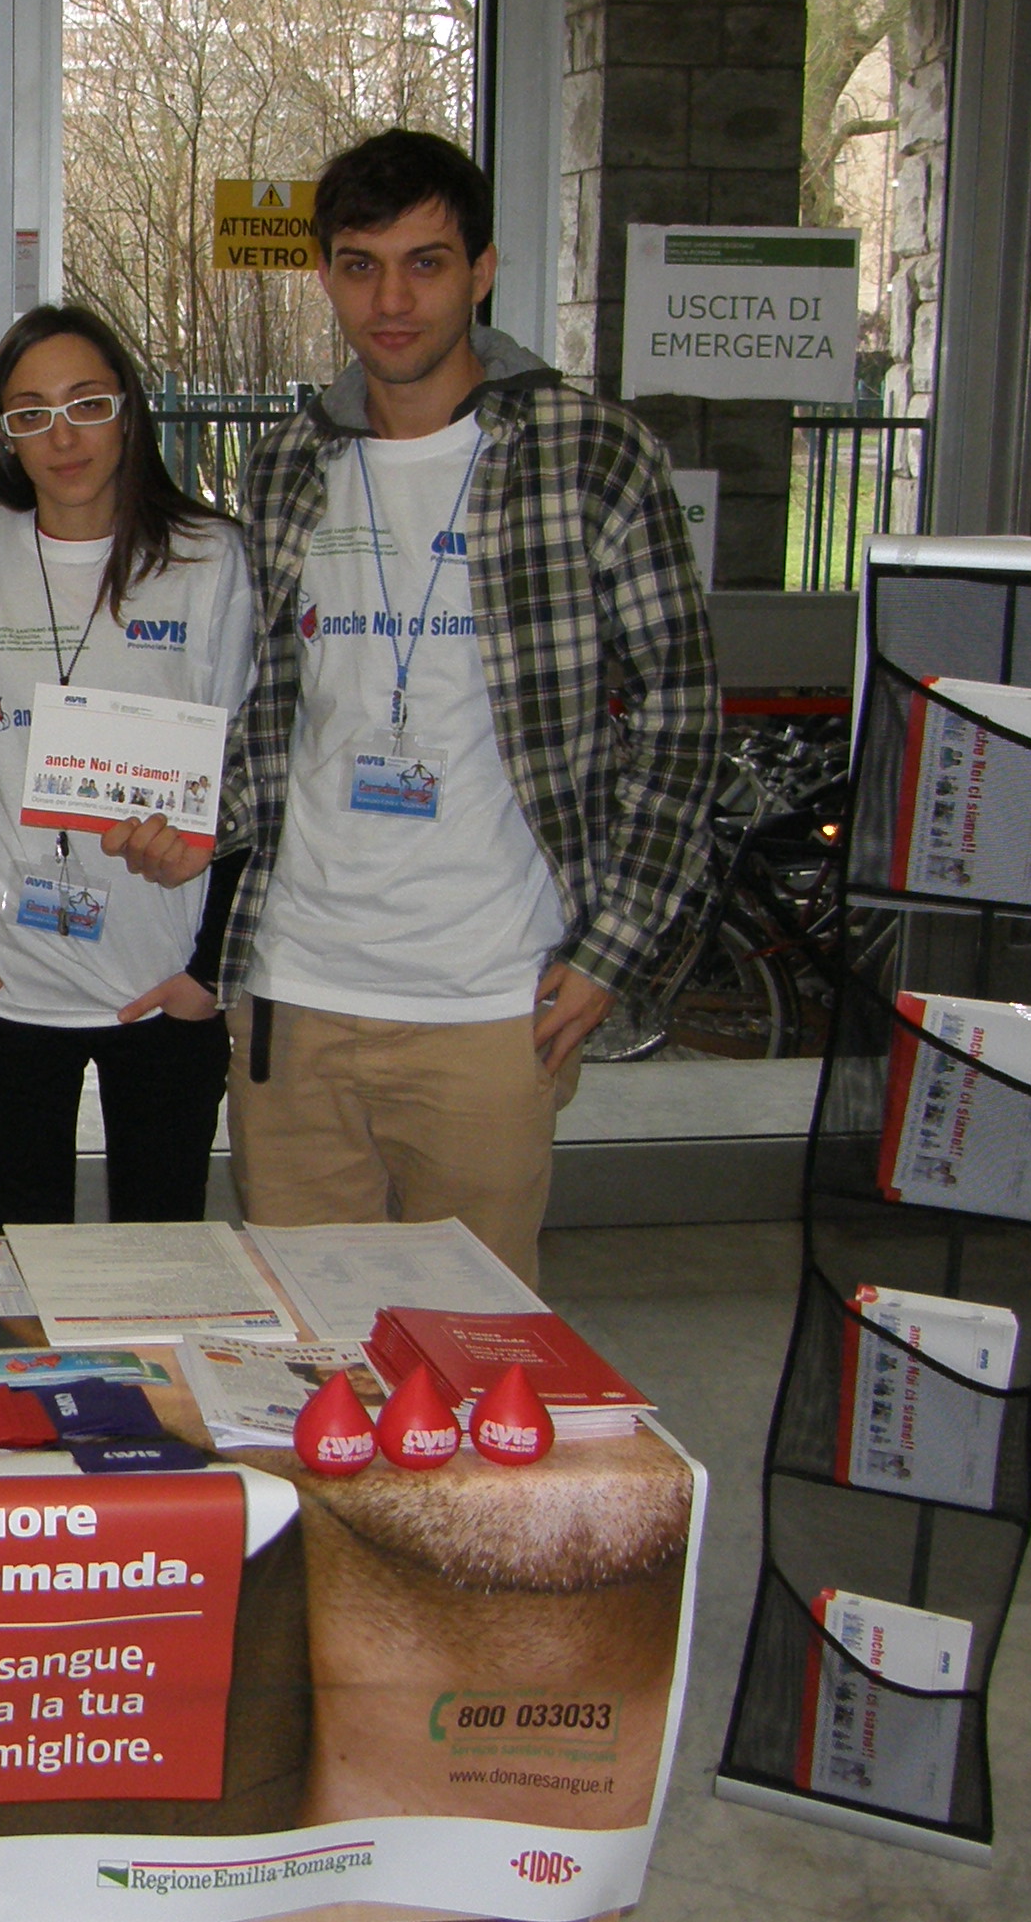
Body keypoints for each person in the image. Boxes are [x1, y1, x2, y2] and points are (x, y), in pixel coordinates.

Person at [113, 129, 717, 1284]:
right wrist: (205, 820)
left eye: (426, 264)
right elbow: (284, 713)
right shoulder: (291, 464)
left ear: (483, 271)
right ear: (327, 276)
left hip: (491, 1000)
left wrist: (612, 954)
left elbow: (682, 716)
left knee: (474, 1345)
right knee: (307, 1350)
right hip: (296, 991)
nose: (391, 300)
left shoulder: (590, 456)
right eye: (359, 264)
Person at [0, 305, 254, 1229]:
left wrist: (208, 971)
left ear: (128, 411)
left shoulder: (210, 560)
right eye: (30, 414)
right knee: (21, 1252)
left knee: (159, 1248)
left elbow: (249, 766)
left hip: (160, 974)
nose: (62, 437)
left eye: (86, 403)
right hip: (5, 972)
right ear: (4, 437)